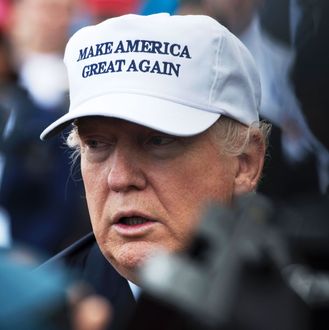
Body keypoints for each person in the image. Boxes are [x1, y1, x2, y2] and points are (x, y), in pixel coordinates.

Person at [40, 13, 269, 329]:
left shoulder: (303, 305)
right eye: (95, 143)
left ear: (245, 163)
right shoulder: (32, 314)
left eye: (158, 140)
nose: (120, 178)